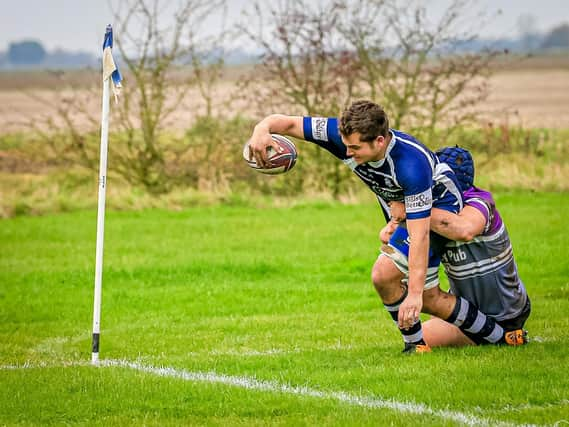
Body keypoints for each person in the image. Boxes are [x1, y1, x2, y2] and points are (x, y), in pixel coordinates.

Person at [249, 100, 525, 353]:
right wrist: (261, 130)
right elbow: (288, 123)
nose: (347, 152)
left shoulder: (411, 167)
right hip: (403, 207)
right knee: (426, 296)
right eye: (345, 144)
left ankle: (418, 346)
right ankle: (500, 338)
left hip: (439, 204)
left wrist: (413, 294)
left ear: (380, 141)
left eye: (355, 148)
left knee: (389, 277)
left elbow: (419, 237)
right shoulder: (345, 134)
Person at [422, 147, 530, 346]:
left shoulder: (480, 202)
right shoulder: (442, 208)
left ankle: (504, 338)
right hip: (475, 307)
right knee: (434, 314)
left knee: (422, 337)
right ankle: (501, 336)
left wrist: (415, 210)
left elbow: (464, 230)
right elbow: (386, 235)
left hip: (503, 313)